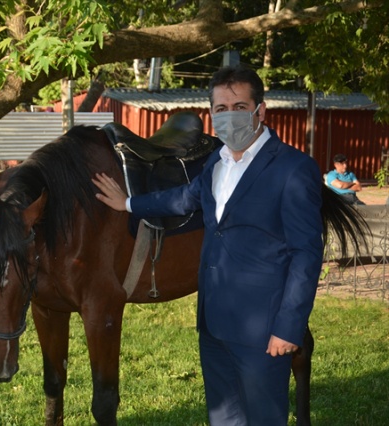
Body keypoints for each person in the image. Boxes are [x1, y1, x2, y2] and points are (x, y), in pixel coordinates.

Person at [92, 65, 323, 426]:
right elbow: (183, 199)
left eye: (239, 106)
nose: (229, 116)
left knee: (264, 419)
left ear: (260, 111)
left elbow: (306, 255)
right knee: (224, 419)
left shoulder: (293, 169)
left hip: (262, 331)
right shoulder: (217, 161)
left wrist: (289, 328)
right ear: (211, 114)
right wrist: (129, 204)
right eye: (220, 109)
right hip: (214, 325)